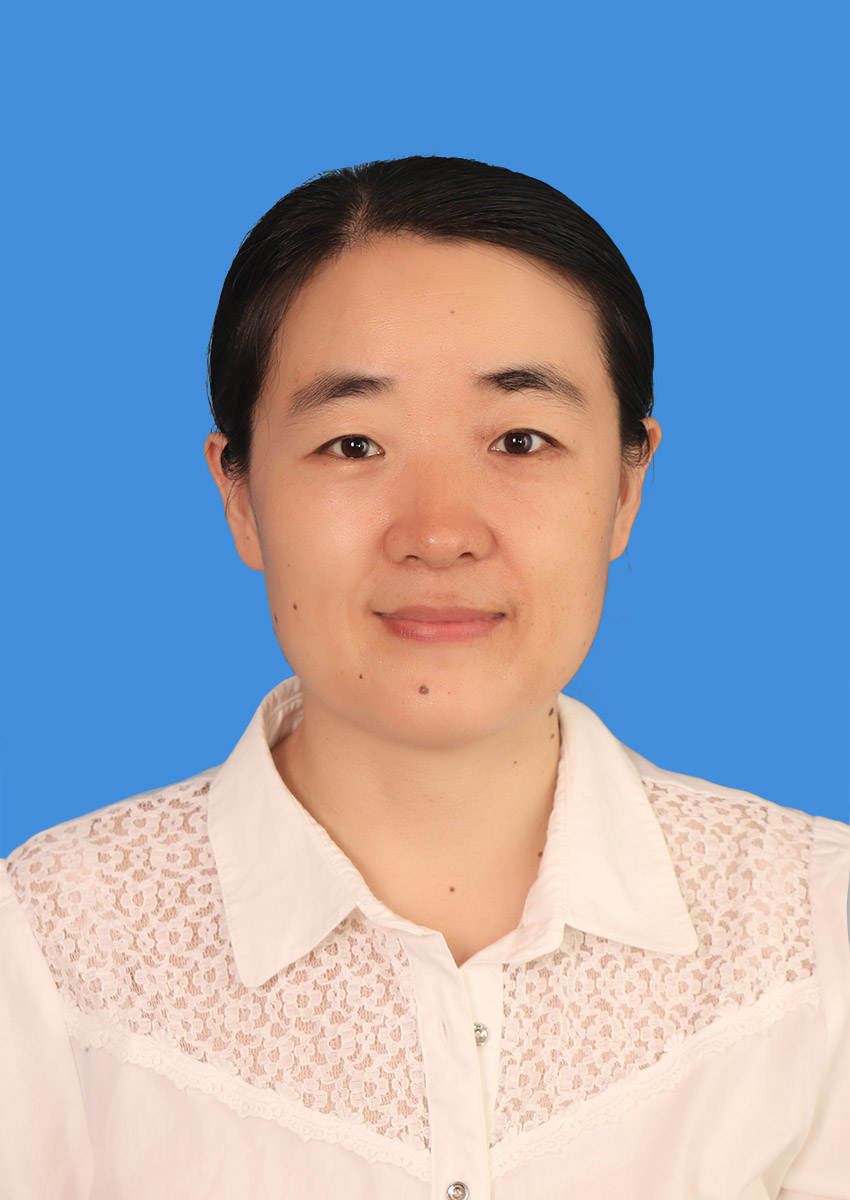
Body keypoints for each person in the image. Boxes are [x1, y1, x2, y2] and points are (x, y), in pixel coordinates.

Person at [1, 156, 847, 1199]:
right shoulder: (47, 950)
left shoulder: (817, 933)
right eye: (353, 443)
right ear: (240, 496)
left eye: (522, 440)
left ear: (628, 486)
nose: (439, 532)